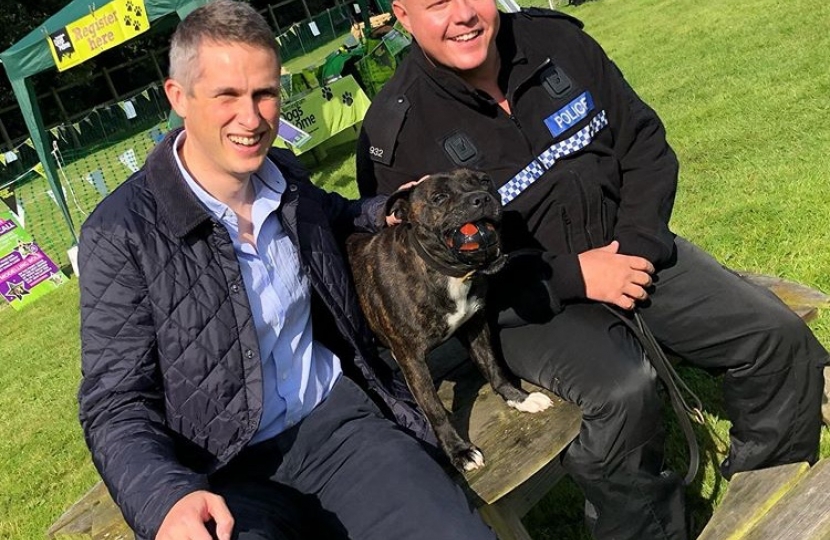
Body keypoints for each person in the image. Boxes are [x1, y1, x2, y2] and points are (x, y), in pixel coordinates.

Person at [356, 2, 829, 539]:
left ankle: (768, 488)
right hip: (516, 300)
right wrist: (574, 276)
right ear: (402, 12)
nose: (463, 13)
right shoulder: (396, 131)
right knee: (623, 393)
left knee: (772, 335)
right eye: (437, 1)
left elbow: (644, 143)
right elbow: (417, 269)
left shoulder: (558, 43)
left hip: (630, 246)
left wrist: (637, 245)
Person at [77, 2, 497, 539]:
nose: (251, 119)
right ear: (178, 97)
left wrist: (388, 207)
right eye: (226, 95)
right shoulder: (120, 233)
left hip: (337, 428)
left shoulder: (286, 179)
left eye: (265, 93)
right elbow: (115, 399)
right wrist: (165, 500)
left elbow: (335, 214)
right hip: (221, 470)